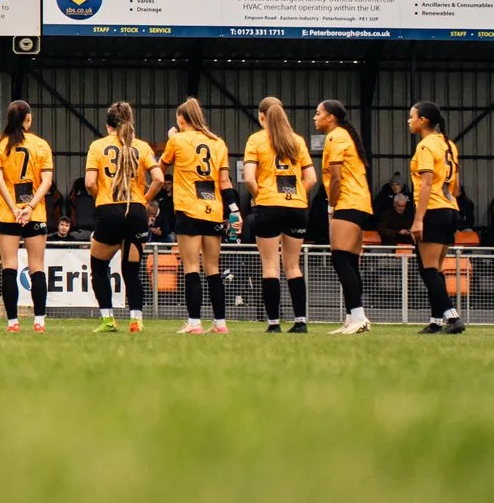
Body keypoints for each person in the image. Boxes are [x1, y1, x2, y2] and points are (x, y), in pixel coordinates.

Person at [233, 96, 315, 333]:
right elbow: (311, 178)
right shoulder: (297, 141)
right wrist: (298, 194)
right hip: (297, 207)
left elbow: (248, 177)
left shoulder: (256, 140)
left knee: (270, 266)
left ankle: (274, 324)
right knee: (293, 266)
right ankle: (300, 322)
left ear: (261, 116)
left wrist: (261, 197)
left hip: (269, 205)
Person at [83, 102, 160, 333]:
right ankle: (136, 320)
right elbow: (157, 178)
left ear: (109, 126)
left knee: (98, 266)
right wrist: (144, 200)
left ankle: (108, 320)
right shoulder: (142, 146)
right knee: (132, 270)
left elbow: (89, 183)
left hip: (109, 210)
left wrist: (101, 197)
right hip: (136, 211)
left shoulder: (98, 146)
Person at [159, 98, 233, 334]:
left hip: (188, 209)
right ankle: (220, 324)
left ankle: (194, 323)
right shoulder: (218, 143)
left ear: (182, 120)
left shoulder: (177, 140)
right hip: (213, 210)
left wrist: (172, 140)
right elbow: (224, 181)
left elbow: (160, 169)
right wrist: (234, 212)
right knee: (213, 268)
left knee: (191, 267)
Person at [0, 100, 55, 332]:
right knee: (37, 266)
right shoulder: (41, 145)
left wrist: (15, 208)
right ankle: (39, 321)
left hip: (8, 214)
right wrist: (29, 207)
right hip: (35, 213)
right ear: (28, 118)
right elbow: (46, 181)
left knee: (10, 266)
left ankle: (13, 322)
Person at [315, 99, 373, 334]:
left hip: (347, 202)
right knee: (349, 261)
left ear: (330, 117)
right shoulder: (344, 136)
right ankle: (353, 318)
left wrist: (331, 207)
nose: (315, 117)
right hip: (360, 202)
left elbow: (336, 178)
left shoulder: (335, 137)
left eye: (318, 113)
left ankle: (359, 317)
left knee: (339, 259)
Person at [408, 102, 465, 334]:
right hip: (450, 208)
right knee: (436, 268)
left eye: (411, 117)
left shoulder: (425, 146)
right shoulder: (448, 144)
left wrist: (418, 219)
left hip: (433, 210)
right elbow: (457, 186)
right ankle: (435, 322)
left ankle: (452, 317)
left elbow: (427, 183)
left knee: (428, 270)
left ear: (423, 120)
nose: (409, 121)